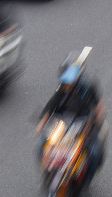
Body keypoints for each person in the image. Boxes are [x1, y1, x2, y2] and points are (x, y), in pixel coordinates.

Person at [36, 51, 106, 185]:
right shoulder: (61, 90)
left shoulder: (88, 88)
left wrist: (97, 120)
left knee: (94, 153)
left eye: (70, 82)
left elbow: (98, 106)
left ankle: (86, 180)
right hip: (64, 124)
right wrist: (41, 124)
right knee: (42, 146)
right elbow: (50, 106)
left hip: (85, 124)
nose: (67, 85)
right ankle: (48, 173)